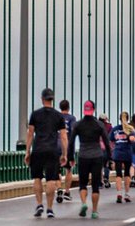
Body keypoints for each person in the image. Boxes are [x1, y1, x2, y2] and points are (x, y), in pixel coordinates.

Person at [25, 87, 67, 219]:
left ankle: (39, 204)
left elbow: (30, 133)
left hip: (38, 150)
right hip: (52, 151)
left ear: (42, 99)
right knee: (51, 180)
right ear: (52, 99)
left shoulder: (35, 114)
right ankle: (49, 208)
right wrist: (64, 154)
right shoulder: (58, 116)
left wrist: (27, 152)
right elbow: (64, 137)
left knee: (37, 178)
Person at [69, 101, 112, 219]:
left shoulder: (78, 125)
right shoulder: (99, 125)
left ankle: (83, 204)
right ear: (94, 109)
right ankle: (94, 211)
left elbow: (71, 142)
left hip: (83, 156)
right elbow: (107, 143)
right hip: (97, 156)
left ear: (84, 109)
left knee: (83, 184)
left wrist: (70, 157)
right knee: (95, 186)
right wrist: (109, 158)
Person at [109, 113, 135, 204]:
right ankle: (127, 194)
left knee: (118, 174)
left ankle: (119, 194)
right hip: (127, 152)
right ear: (128, 119)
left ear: (119, 119)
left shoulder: (115, 129)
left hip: (117, 152)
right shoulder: (130, 128)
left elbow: (111, 140)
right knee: (127, 173)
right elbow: (132, 139)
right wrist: (134, 139)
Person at [56, 99, 77, 204]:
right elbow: (72, 135)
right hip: (67, 146)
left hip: (55, 147)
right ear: (68, 107)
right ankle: (67, 192)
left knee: (57, 170)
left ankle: (59, 188)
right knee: (68, 170)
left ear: (60, 107)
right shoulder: (72, 118)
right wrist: (72, 154)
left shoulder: (55, 118)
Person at [98, 112, 113, 187]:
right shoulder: (109, 126)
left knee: (99, 165)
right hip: (106, 148)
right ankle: (106, 179)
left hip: (97, 148)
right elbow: (111, 138)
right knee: (106, 164)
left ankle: (100, 181)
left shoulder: (96, 125)